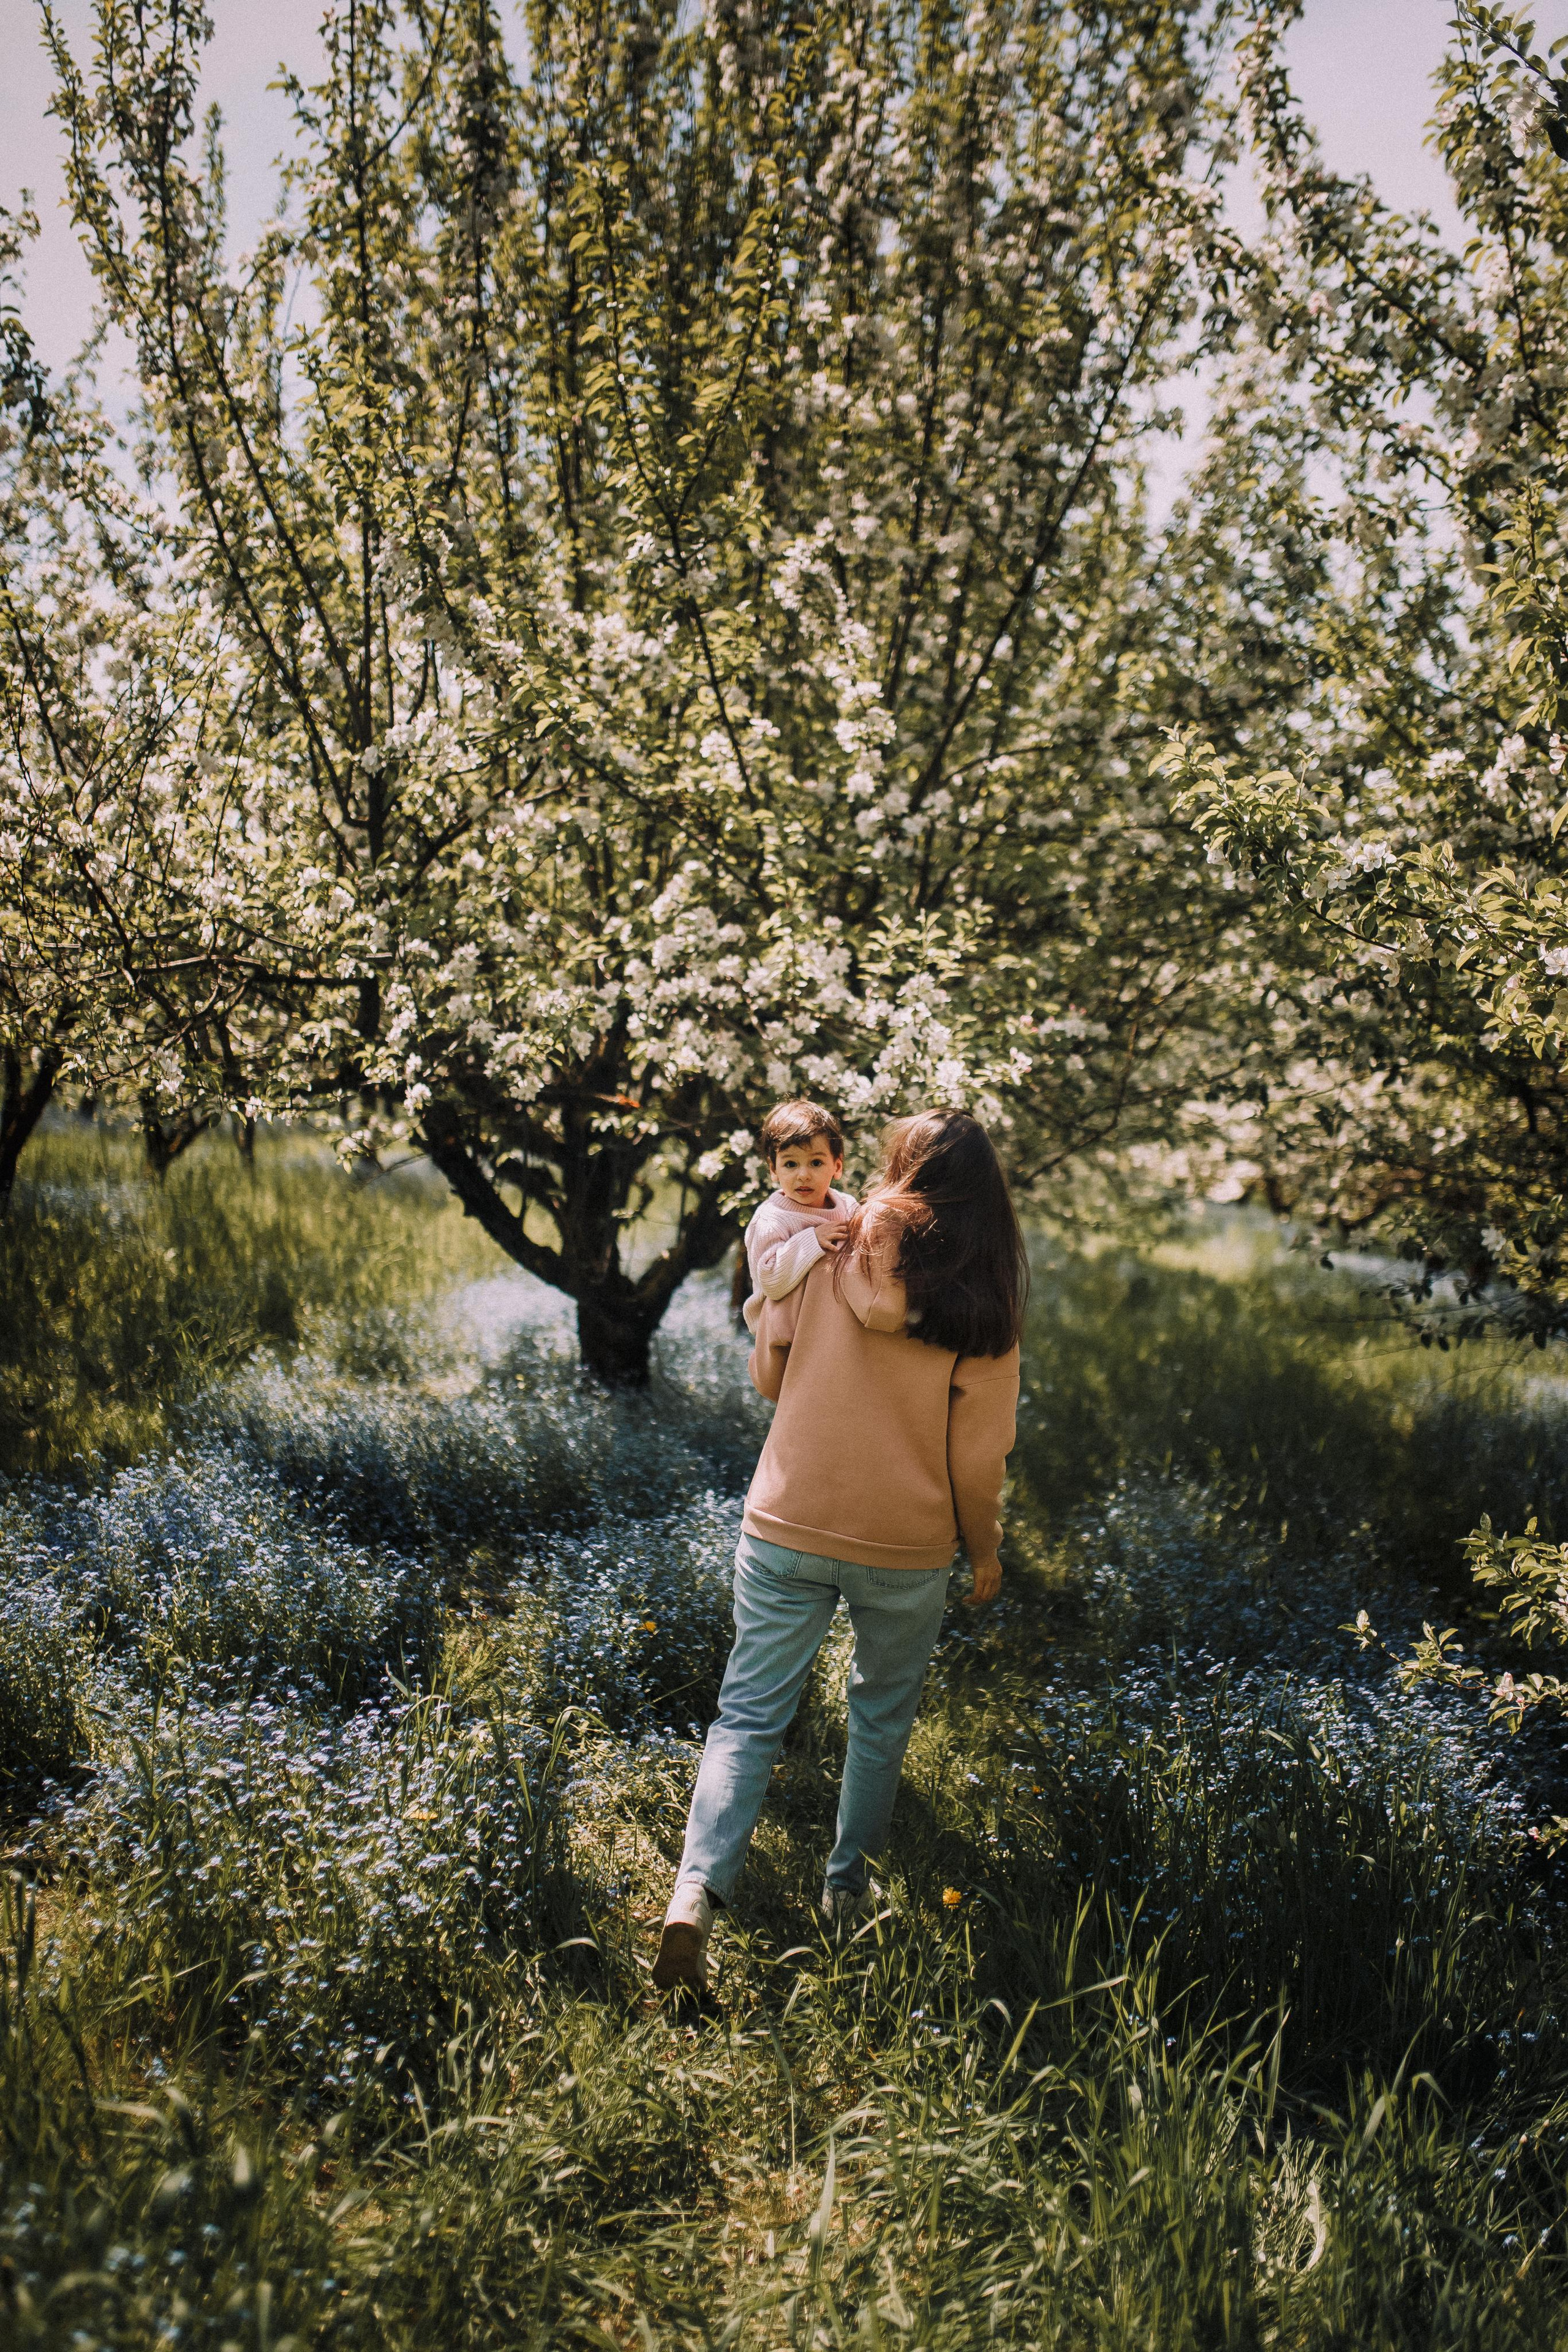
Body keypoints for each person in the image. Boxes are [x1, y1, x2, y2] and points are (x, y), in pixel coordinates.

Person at [654, 1107, 1027, 1997]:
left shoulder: (826, 1244)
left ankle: (696, 1890)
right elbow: (980, 1456)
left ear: (895, 1165)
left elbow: (773, 1377)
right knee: (881, 1717)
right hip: (905, 1544)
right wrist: (984, 1548)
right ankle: (846, 1889)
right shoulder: (984, 1300)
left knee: (747, 1715)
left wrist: (777, 1328)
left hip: (786, 1520)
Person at [739, 1100, 858, 1333]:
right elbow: (771, 1280)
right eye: (791, 1164)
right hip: (782, 1335)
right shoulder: (771, 1219)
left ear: (837, 1166)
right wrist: (811, 1240)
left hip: (827, 1325)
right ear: (773, 1169)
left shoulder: (847, 1206)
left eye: (816, 1162)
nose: (803, 1175)